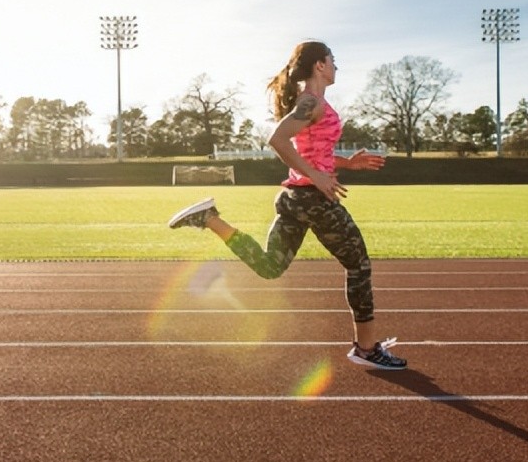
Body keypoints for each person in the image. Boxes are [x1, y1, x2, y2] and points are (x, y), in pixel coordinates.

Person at [167, 40, 406, 370]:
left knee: (270, 266)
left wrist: (346, 164)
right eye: (332, 60)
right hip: (312, 198)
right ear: (319, 66)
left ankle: (209, 218)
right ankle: (366, 349)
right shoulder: (310, 102)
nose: (337, 66)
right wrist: (319, 179)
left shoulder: (315, 102)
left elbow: (313, 153)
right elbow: (277, 140)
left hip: (297, 197)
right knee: (359, 265)